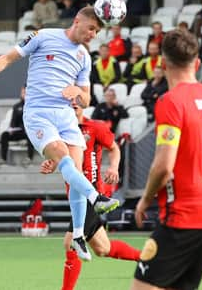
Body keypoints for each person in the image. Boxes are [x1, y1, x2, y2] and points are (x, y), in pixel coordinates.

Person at [0, 6, 120, 261]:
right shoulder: (43, 36)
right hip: (38, 113)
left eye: (97, 31)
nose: (94, 34)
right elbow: (8, 58)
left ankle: (77, 235)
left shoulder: (84, 57)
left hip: (65, 116)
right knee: (64, 158)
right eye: (91, 28)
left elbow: (85, 98)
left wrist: (77, 93)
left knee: (75, 170)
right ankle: (96, 198)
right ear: (77, 21)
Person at [131, 29, 202, 290]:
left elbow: (164, 166)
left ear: (162, 63)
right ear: (198, 63)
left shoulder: (171, 101)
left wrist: (144, 200)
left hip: (182, 219)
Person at [40, 103, 140, 290]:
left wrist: (113, 167)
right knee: (103, 249)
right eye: (70, 101)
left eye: (78, 99)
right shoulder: (59, 132)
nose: (74, 103)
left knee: (70, 243)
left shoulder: (95, 128)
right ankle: (147, 259)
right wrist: (51, 164)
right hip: (74, 196)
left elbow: (114, 148)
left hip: (90, 193)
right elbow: (61, 158)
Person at [0, 86, 34, 167]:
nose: (24, 95)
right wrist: (11, 129)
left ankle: (29, 158)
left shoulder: (35, 106)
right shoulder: (17, 107)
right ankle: (3, 158)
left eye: (26, 93)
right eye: (23, 93)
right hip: (19, 132)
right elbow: (13, 122)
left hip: (31, 132)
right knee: (4, 135)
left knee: (30, 134)